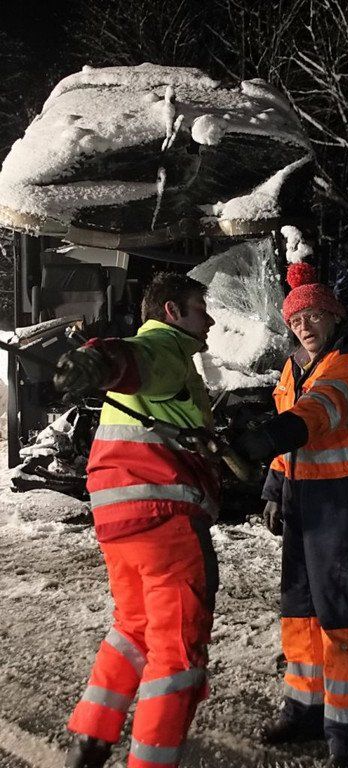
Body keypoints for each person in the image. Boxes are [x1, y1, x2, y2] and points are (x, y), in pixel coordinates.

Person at [53, 271, 220, 768]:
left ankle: (90, 743)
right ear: (172, 311)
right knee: (177, 652)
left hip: (119, 519)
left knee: (134, 629)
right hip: (165, 517)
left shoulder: (169, 358)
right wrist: (100, 360)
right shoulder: (167, 347)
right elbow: (136, 361)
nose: (210, 320)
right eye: (200, 308)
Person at [232, 262, 348, 768]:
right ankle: (303, 710)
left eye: (314, 315)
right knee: (299, 613)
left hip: (345, 503)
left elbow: (320, 411)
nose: (305, 326)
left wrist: (268, 438)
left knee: (342, 618)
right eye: (297, 320)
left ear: (334, 316)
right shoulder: (294, 366)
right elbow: (290, 431)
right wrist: (275, 487)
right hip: (303, 502)